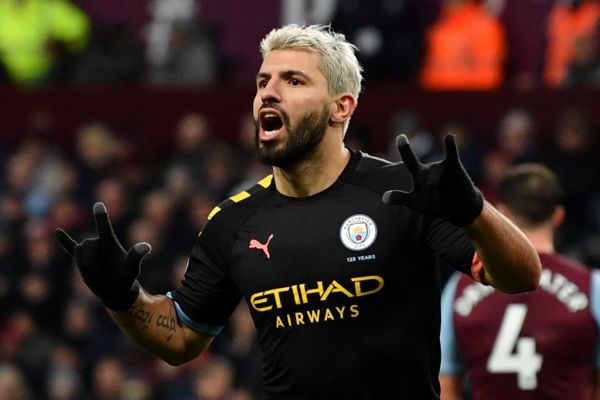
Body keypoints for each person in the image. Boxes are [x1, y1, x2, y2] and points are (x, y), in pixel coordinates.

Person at [54, 24, 541, 399]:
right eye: (263, 80)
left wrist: (475, 211)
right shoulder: (232, 221)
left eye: (292, 80)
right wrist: (122, 296)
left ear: (340, 107)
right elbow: (181, 338)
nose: (269, 91)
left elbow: (522, 277)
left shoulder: (405, 193)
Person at [439, 163, 600, 400]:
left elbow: (445, 381)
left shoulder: (460, 287)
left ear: (501, 213)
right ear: (558, 216)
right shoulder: (591, 286)